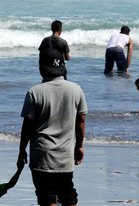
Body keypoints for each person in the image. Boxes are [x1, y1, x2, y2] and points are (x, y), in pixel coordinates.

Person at [18, 47, 88, 206]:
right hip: (65, 156)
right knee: (67, 194)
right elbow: (81, 121)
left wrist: (21, 150)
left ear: (41, 67)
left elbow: (27, 127)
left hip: (42, 156)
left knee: (46, 197)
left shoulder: (34, 92)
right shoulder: (76, 90)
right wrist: (80, 146)